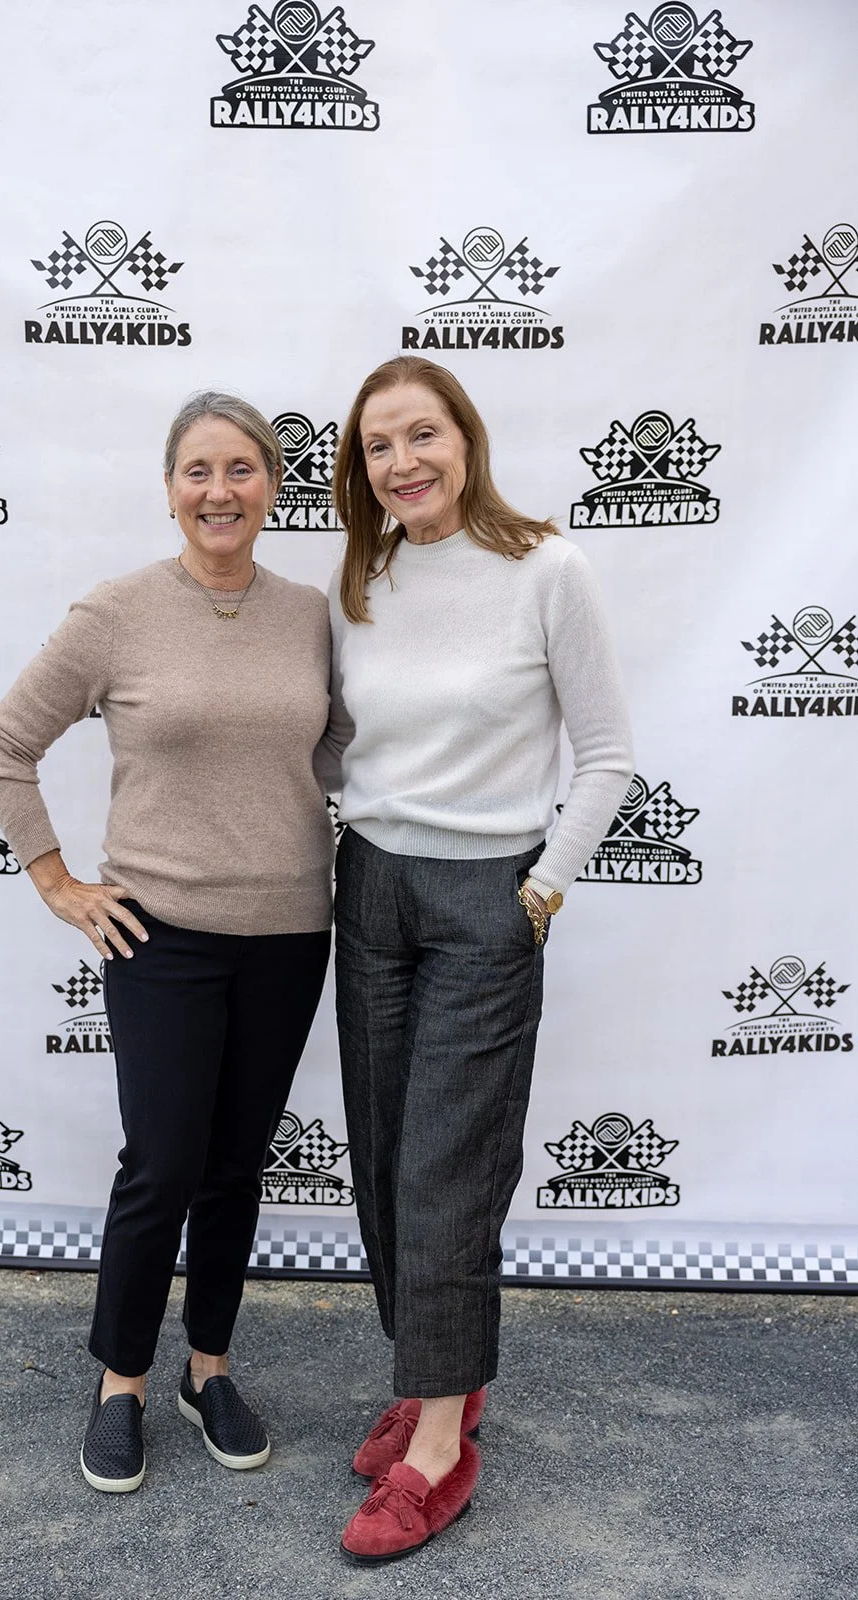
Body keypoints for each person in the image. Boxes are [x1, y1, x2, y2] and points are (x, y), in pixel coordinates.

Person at [0, 392, 338, 1494]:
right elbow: (2, 745)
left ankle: (208, 1369)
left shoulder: (314, 614)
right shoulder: (117, 613)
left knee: (234, 1167)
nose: (219, 491)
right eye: (197, 471)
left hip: (288, 932)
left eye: (241, 469)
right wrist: (57, 881)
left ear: (274, 484)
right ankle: (120, 1381)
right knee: (162, 1164)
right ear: (170, 487)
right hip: (159, 935)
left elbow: (339, 759)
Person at [328, 357, 633, 1563]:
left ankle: (440, 1445)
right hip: (370, 887)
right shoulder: (368, 571)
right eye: (376, 447)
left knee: (449, 1169)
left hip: (483, 900)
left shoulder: (547, 567)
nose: (400, 463)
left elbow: (605, 752)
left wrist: (539, 893)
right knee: (386, 1156)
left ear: (466, 437)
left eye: (421, 435)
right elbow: (342, 742)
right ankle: (433, 1375)